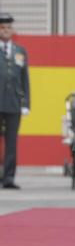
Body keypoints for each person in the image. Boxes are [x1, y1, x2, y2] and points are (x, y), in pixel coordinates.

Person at [0, 13, 29, 189]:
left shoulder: (20, 51)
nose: (6, 30)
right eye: (2, 27)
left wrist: (26, 103)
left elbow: (25, 79)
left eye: (8, 27)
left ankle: (9, 178)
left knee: (11, 142)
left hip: (13, 104)